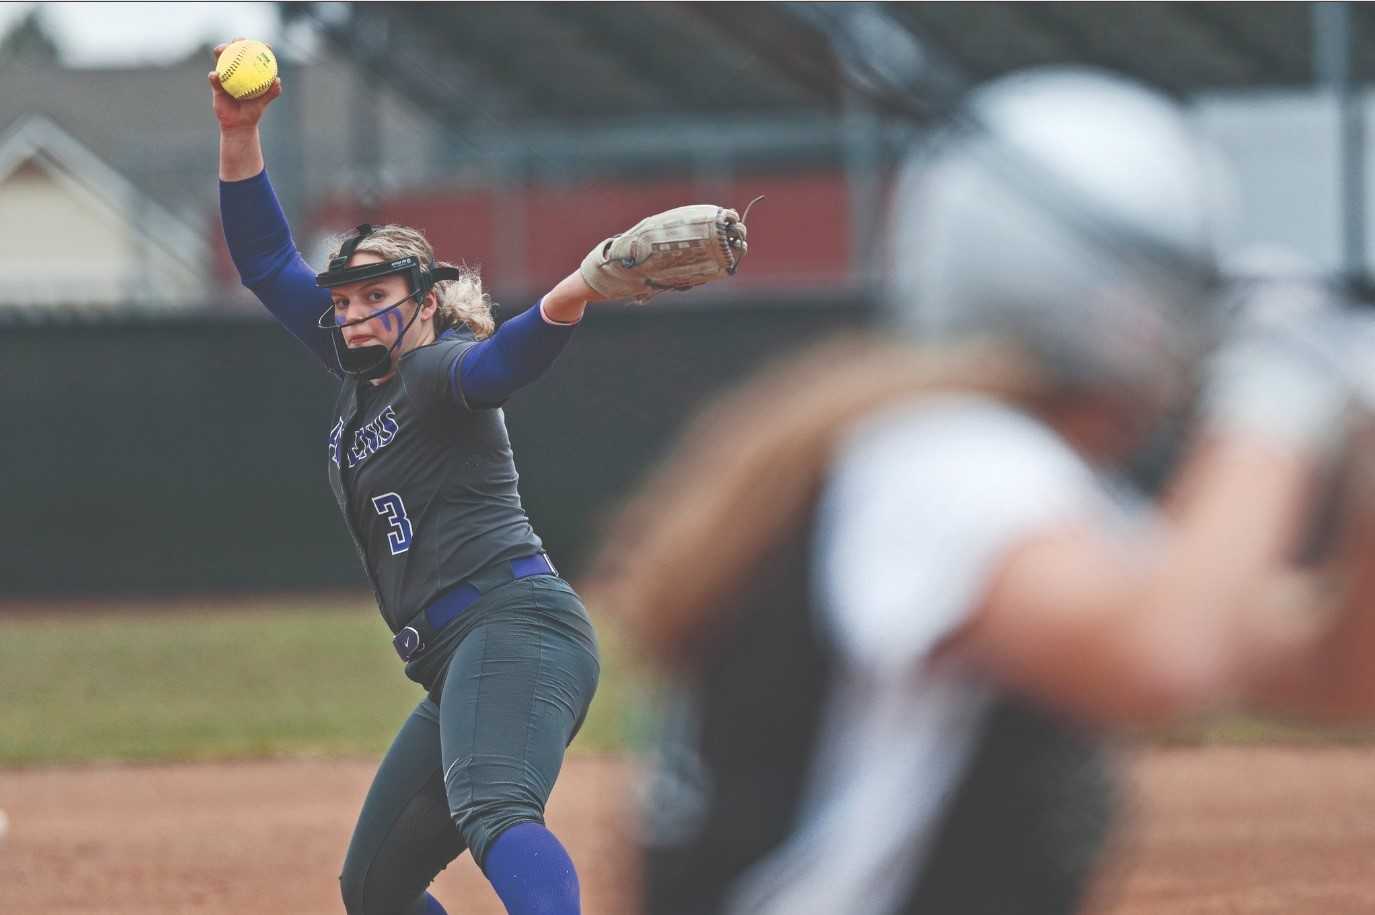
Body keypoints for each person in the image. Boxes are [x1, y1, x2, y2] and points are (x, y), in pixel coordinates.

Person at [586, 67, 1375, 915]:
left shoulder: (947, 470)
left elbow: (1331, 675)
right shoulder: (951, 465)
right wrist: (1279, 394)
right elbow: (1162, 655)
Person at [207, 43, 748, 915]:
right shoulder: (363, 371)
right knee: (375, 888)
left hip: (513, 625)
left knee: (496, 807)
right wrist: (240, 132)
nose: (350, 312)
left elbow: (500, 364)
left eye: (372, 294)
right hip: (457, 660)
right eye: (342, 300)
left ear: (424, 299)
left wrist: (576, 287)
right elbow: (269, 262)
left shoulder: (437, 368)